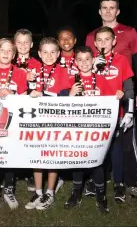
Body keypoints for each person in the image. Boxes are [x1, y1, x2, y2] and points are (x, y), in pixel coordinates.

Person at [85, 0, 137, 198]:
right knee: (100, 140)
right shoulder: (91, 35)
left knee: (127, 140)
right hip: (100, 98)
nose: (108, 11)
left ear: (118, 11)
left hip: (124, 95)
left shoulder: (129, 32)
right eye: (105, 8)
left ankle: (132, 180)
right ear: (99, 11)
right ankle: (103, 176)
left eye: (112, 8)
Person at [64, 46, 125, 213]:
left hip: (96, 131)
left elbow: (112, 99)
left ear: (93, 61)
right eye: (80, 59)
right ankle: (76, 193)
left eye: (87, 59)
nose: (84, 63)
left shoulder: (101, 80)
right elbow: (59, 102)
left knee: (98, 162)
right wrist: (70, 95)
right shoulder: (71, 80)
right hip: (76, 130)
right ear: (75, 62)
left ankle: (101, 196)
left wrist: (119, 95)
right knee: (78, 161)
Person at [87, 26, 135, 203]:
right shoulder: (90, 60)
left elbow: (128, 87)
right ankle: (96, 179)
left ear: (114, 41)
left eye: (107, 39)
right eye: (99, 40)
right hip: (95, 113)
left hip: (116, 113)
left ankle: (119, 183)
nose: (103, 43)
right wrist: (92, 69)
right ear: (94, 43)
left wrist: (129, 111)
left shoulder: (121, 60)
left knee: (116, 148)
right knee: (97, 148)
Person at [24, 37, 71, 210]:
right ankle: (38, 190)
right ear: (39, 53)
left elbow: (66, 97)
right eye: (45, 52)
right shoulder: (33, 68)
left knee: (52, 156)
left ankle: (50, 191)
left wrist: (44, 95)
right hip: (36, 120)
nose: (49, 55)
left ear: (58, 54)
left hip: (54, 120)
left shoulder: (62, 71)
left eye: (53, 52)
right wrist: (29, 83)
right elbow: (25, 92)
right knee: (37, 155)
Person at [0, 38, 27, 210]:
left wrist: (13, 93)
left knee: (10, 156)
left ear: (14, 54)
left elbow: (25, 98)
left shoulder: (20, 73)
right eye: (3, 50)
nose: (6, 54)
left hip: (12, 122)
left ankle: (9, 188)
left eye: (10, 51)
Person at [13, 29, 41, 192]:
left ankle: (31, 173)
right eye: (19, 42)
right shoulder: (8, 60)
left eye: (26, 42)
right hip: (13, 106)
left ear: (31, 44)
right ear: (14, 44)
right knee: (15, 138)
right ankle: (16, 171)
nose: (23, 45)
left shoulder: (37, 64)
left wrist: (32, 80)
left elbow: (40, 87)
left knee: (30, 139)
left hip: (30, 107)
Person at [55, 25, 79, 194]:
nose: (65, 41)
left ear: (75, 40)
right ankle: (60, 175)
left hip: (79, 102)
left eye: (69, 37)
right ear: (57, 42)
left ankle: (80, 175)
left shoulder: (83, 57)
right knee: (60, 139)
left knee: (77, 139)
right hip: (60, 102)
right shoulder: (53, 58)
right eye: (62, 38)